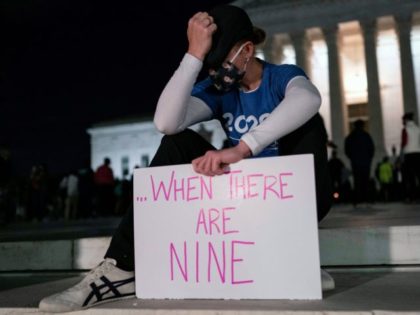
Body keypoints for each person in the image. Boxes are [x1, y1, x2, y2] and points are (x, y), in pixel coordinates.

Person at [39, 5, 333, 312]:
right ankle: (121, 268)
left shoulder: (281, 77)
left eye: (219, 63)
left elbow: (308, 98)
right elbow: (166, 122)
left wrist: (243, 148)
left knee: (308, 121)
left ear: (247, 50)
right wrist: (193, 54)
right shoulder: (220, 90)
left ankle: (297, 253)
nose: (214, 72)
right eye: (208, 65)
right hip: (243, 203)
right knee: (176, 142)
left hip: (290, 204)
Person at [344, 119, 375, 207]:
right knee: (365, 181)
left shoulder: (350, 136)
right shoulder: (366, 136)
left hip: (356, 162)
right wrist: (368, 159)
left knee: (357, 181)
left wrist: (352, 158)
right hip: (365, 163)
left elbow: (347, 150)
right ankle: (366, 199)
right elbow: (372, 149)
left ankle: (358, 200)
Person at [400, 112, 420, 202]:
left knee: (410, 177)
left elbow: (404, 143)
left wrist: (401, 155)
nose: (402, 121)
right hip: (418, 154)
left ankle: (412, 196)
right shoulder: (417, 128)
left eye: (403, 120)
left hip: (409, 154)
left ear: (406, 119)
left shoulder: (405, 129)